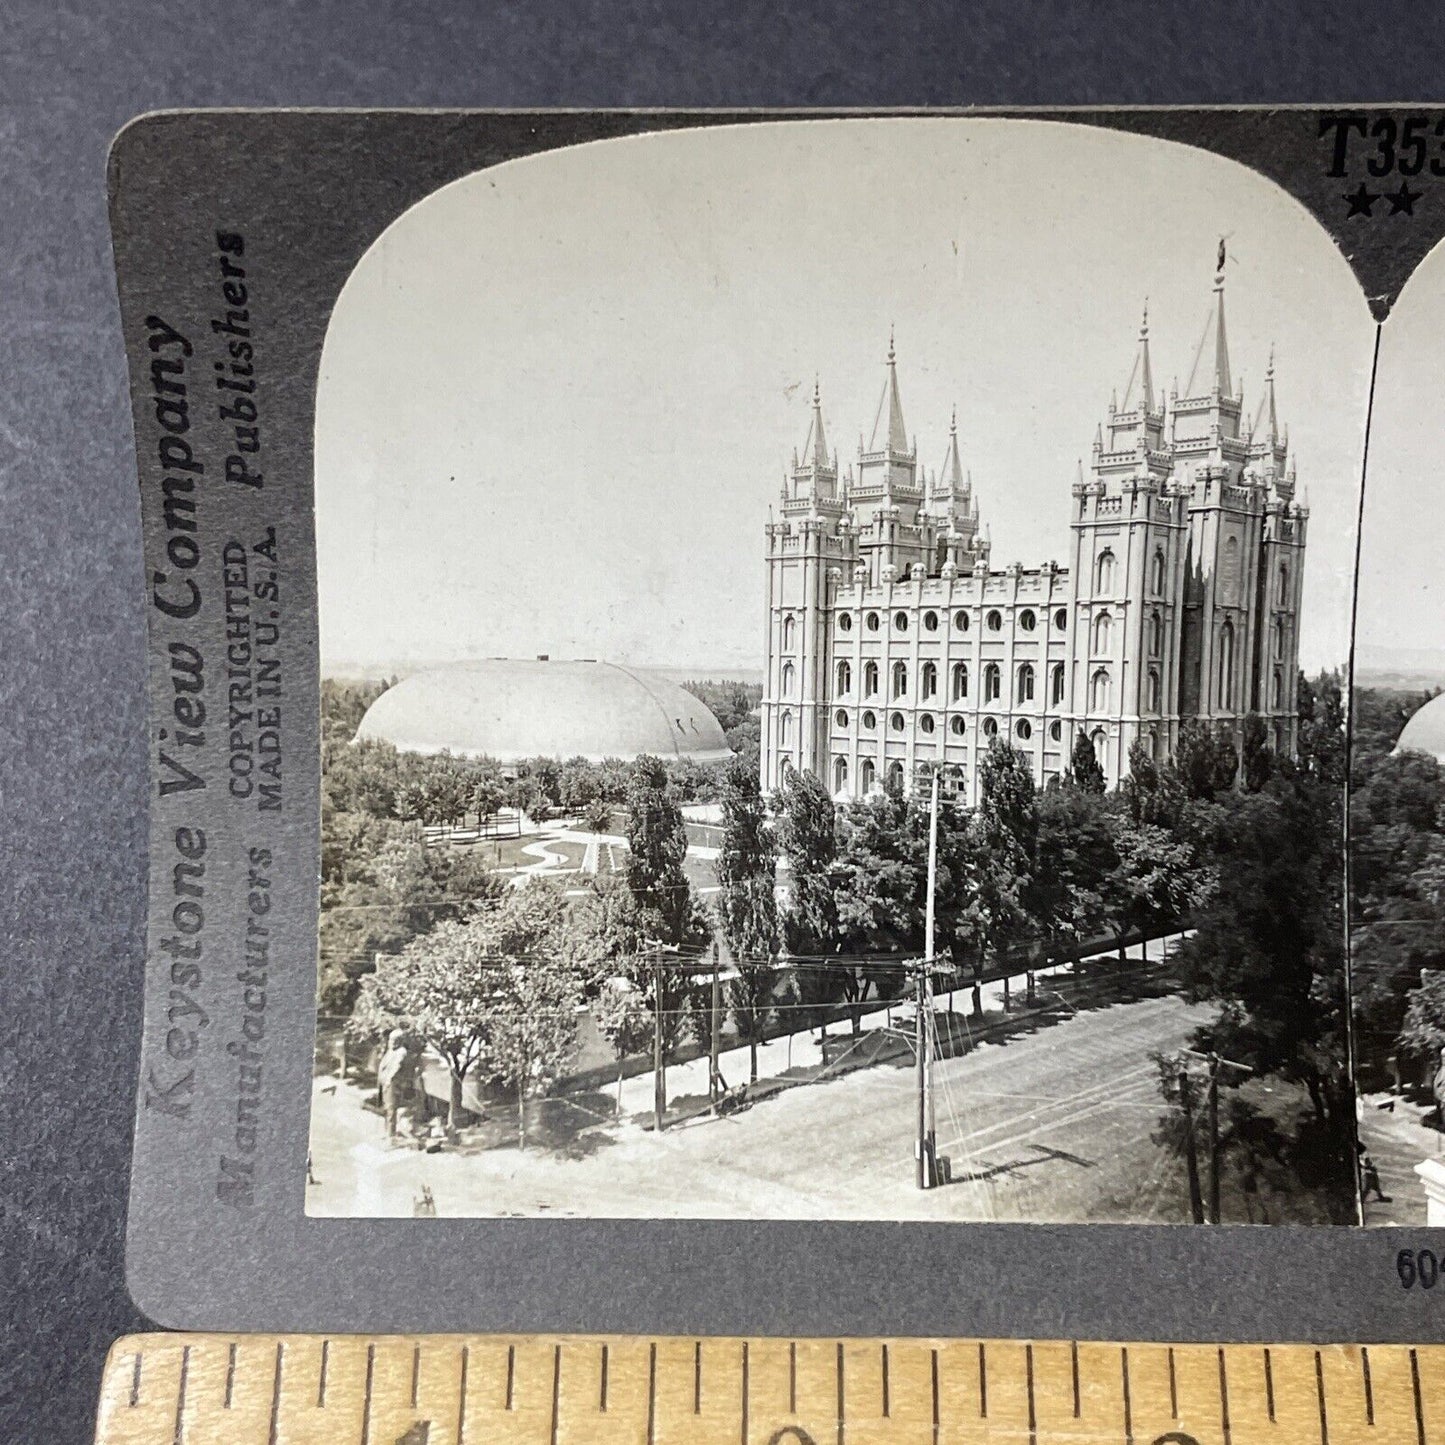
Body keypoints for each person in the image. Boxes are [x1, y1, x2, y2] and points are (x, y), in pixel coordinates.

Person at [377, 1030, 420, 1143]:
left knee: (391, 1109)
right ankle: (387, 1132)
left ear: (399, 1041)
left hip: (393, 1084)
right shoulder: (390, 1050)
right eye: (390, 1040)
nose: (391, 1042)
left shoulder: (401, 1052)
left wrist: (388, 1079)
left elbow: (397, 1066)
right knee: (386, 1109)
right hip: (384, 1083)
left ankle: (391, 1135)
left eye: (394, 1040)